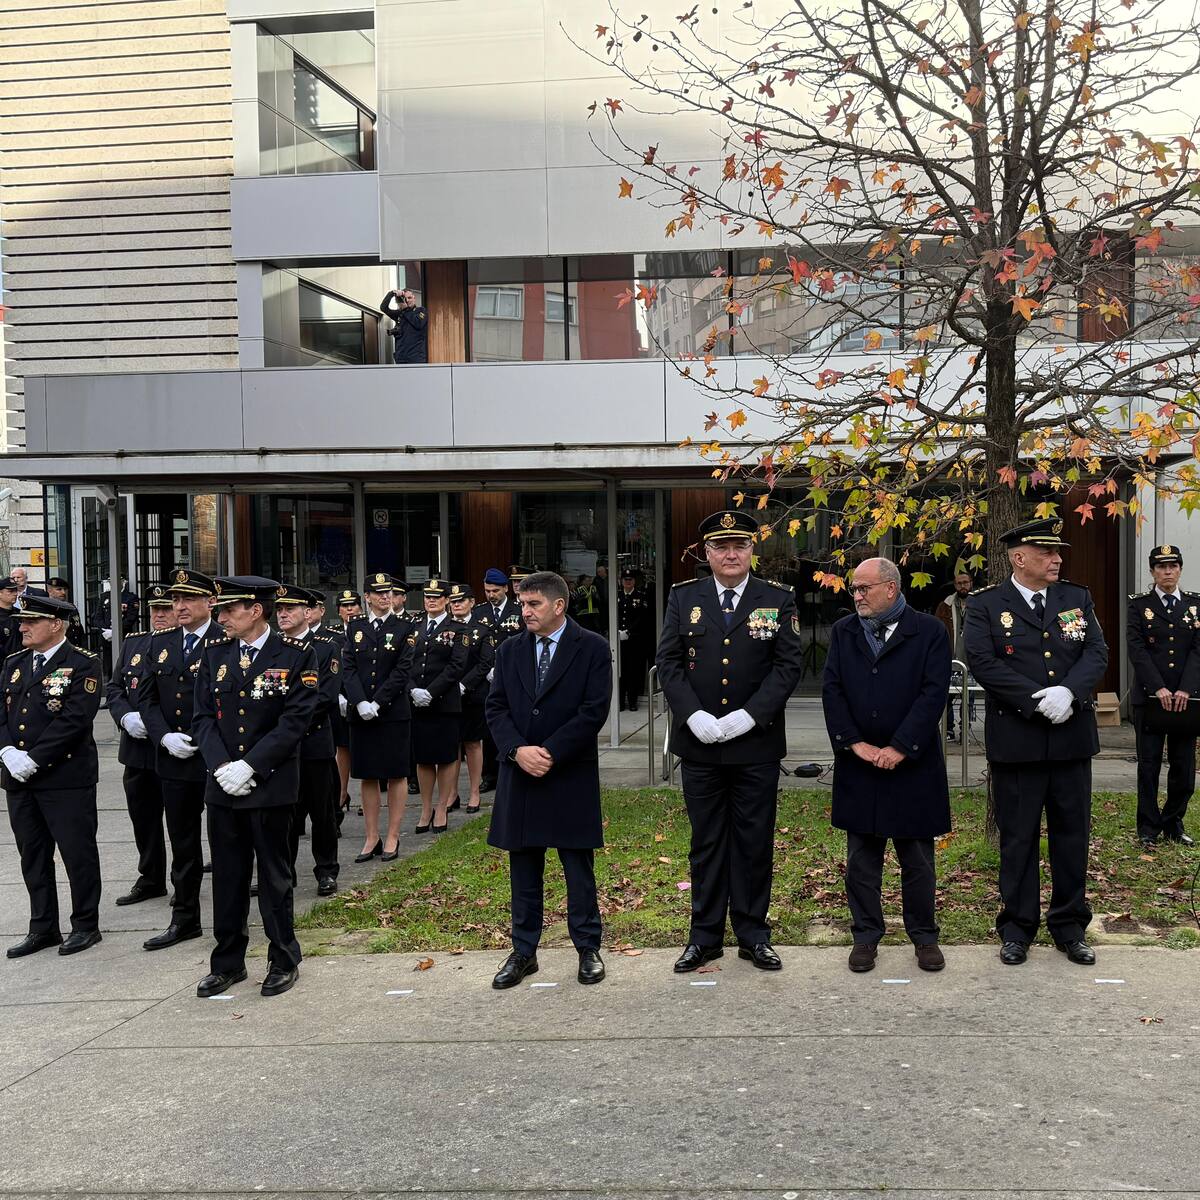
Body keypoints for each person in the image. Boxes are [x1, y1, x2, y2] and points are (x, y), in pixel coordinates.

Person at [655, 510, 803, 974]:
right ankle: (704, 937)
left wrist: (750, 716)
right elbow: (669, 662)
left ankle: (754, 934)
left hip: (754, 745)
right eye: (721, 547)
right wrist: (692, 714)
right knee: (706, 842)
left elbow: (788, 665)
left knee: (754, 841)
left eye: (739, 545)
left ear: (751, 550)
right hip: (700, 745)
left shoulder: (776, 598)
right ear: (707, 553)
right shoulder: (684, 598)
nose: (731, 553)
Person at [964, 518, 1108, 968]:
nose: (1057, 559)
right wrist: (1034, 700)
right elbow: (982, 661)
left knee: (1072, 838)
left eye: (1058, 552)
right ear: (1018, 557)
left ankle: (1069, 927)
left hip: (1070, 739)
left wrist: (1070, 691)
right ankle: (1017, 928)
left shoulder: (1075, 597)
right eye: (1047, 552)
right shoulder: (986, 604)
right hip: (1018, 740)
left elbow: (1096, 652)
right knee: (1019, 839)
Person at [822, 558, 952, 973]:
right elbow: (832, 689)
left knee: (917, 860)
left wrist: (900, 746)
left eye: (864, 589)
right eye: (854, 590)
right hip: (859, 764)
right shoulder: (844, 631)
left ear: (891, 588)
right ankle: (865, 936)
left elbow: (933, 693)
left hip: (912, 764)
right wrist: (853, 743)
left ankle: (924, 936)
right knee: (862, 861)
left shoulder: (929, 630)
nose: (856, 596)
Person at [191, 576, 318, 998]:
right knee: (227, 878)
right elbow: (202, 717)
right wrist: (223, 766)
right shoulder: (214, 654)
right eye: (220, 609)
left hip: (270, 784)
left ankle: (283, 958)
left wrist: (251, 766)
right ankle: (228, 962)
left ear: (255, 610)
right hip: (224, 784)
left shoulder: (297, 654)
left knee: (274, 877)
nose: (220, 616)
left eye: (229, 610)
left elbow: (294, 721)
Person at [486, 570, 612, 988]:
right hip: (519, 773)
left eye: (533, 604)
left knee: (577, 866)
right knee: (523, 868)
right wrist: (517, 750)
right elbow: (496, 707)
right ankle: (523, 951)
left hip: (568, 771)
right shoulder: (509, 651)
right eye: (522, 604)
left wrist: (551, 752)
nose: (525, 611)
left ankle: (587, 947)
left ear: (559, 605)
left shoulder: (592, 648)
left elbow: (593, 711)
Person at [1, 595, 104, 957]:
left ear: (55, 624)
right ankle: (43, 926)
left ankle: (85, 925)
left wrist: (35, 758)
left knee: (77, 853)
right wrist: (8, 752)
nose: (22, 627)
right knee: (32, 854)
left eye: (30, 621)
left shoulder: (82, 664)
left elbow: (75, 719)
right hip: (19, 777)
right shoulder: (14, 663)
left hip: (65, 777)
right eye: (21, 622)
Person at [137, 569, 227, 951]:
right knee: (183, 843)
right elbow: (146, 697)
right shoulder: (161, 643)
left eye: (188, 599)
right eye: (176, 600)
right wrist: (163, 736)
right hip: (175, 757)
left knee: (226, 844)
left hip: (218, 758)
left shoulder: (226, 640)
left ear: (210, 602)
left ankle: (228, 922)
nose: (179, 607)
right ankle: (185, 918)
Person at [106, 584, 176, 906]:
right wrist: (124, 718)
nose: (160, 615)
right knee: (143, 818)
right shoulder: (134, 643)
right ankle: (150, 878)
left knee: (180, 820)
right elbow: (115, 687)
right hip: (136, 749)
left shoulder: (190, 645)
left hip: (172, 747)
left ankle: (184, 881)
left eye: (166, 609)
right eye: (155, 610)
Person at [1126, 544, 1200, 847]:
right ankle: (1147, 827)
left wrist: (1186, 688)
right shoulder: (1138, 605)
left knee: (1184, 766)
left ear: (1180, 569)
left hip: (1186, 699)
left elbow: (1198, 650)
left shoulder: (1196, 606)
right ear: (1152, 571)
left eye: (1172, 566)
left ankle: (1173, 821)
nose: (1167, 572)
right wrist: (1158, 687)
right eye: (1160, 567)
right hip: (1150, 697)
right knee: (1149, 765)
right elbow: (1137, 649)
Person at [341, 574, 414, 860]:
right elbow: (348, 667)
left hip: (393, 712)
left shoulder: (405, 626)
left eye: (389, 593)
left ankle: (393, 836)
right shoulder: (355, 627)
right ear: (367, 597)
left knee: (396, 774)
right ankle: (371, 836)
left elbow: (402, 670)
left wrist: (377, 702)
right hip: (362, 714)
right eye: (379, 593)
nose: (385, 597)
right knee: (368, 775)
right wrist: (359, 702)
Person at [276, 586, 341, 896]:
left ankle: (326, 870)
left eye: (290, 608)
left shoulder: (325, 647)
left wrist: (287, 724)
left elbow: (325, 696)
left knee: (322, 812)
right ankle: (283, 872)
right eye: (279, 609)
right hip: (281, 747)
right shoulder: (273, 648)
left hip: (313, 742)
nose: (283, 614)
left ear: (308, 611)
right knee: (285, 813)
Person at [409, 578, 469, 832]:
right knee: (423, 759)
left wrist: (431, 692)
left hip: (444, 701)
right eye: (427, 597)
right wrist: (412, 688)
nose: (431, 601)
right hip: (416, 701)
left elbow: (456, 666)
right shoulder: (413, 626)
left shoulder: (458, 628)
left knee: (445, 757)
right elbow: (404, 661)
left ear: (446, 600)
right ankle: (426, 807)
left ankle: (443, 806)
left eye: (436, 597)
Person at [448, 582, 496, 815]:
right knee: (452, 744)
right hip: (447, 695)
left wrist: (464, 684)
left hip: (474, 694)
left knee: (473, 743)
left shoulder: (482, 629)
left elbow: (485, 662)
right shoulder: (443, 628)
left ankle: (475, 791)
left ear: (471, 603)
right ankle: (451, 793)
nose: (457, 604)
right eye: (453, 601)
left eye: (461, 600)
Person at [479, 566, 525, 794]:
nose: (491, 595)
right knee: (489, 729)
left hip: (513, 677)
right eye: (487, 590)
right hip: (486, 678)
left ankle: (512, 765)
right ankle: (489, 775)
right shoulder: (479, 613)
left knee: (512, 723)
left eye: (495, 590)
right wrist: (487, 669)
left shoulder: (519, 611)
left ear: (505, 589)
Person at [330, 588, 360, 820]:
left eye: (353, 605)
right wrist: (338, 696)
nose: (350, 609)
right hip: (341, 699)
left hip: (364, 698)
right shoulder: (333, 636)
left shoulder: (368, 631)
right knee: (343, 748)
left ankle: (367, 796)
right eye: (345, 606)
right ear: (339, 610)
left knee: (367, 747)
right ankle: (341, 793)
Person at [935, 571, 976, 742]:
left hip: (971, 661)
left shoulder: (979, 604)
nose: (963, 586)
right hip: (950, 660)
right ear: (955, 585)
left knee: (968, 700)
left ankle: (964, 732)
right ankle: (948, 731)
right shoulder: (945, 606)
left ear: (971, 583)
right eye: (959, 583)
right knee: (947, 699)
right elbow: (937, 632)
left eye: (965, 582)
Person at [616, 567, 651, 711]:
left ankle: (632, 701)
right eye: (625, 580)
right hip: (619, 640)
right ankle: (620, 702)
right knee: (620, 672)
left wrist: (629, 631)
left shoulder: (640, 596)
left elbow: (642, 618)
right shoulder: (617, 596)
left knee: (634, 672)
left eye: (630, 580)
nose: (628, 582)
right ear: (621, 581)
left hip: (635, 641)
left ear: (634, 581)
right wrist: (617, 630)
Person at [380, 288, 428, 364]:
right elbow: (383, 308)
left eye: (409, 298)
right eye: (405, 299)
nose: (407, 301)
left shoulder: (421, 311)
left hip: (416, 359)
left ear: (414, 298)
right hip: (401, 358)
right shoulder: (400, 314)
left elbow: (418, 324)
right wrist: (392, 293)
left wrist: (406, 310)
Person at [47, 578, 87, 645]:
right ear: (50, 591)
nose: (63, 592)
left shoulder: (71, 607)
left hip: (74, 648)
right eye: (59, 589)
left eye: (65, 589)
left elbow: (79, 630)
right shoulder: (45, 608)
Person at [0, 576, 20, 660]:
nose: (15, 593)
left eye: (16, 590)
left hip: (21, 661)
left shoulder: (19, 614)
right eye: (10, 591)